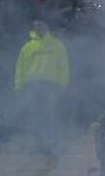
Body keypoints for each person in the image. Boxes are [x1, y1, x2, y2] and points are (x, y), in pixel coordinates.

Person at [13, 20, 69, 156]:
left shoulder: (57, 45)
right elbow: (20, 68)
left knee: (50, 115)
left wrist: (63, 84)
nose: (38, 28)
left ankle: (51, 145)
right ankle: (38, 145)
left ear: (46, 26)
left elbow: (63, 66)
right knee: (34, 116)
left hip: (51, 86)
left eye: (41, 25)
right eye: (36, 25)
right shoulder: (27, 47)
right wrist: (18, 86)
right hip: (32, 86)